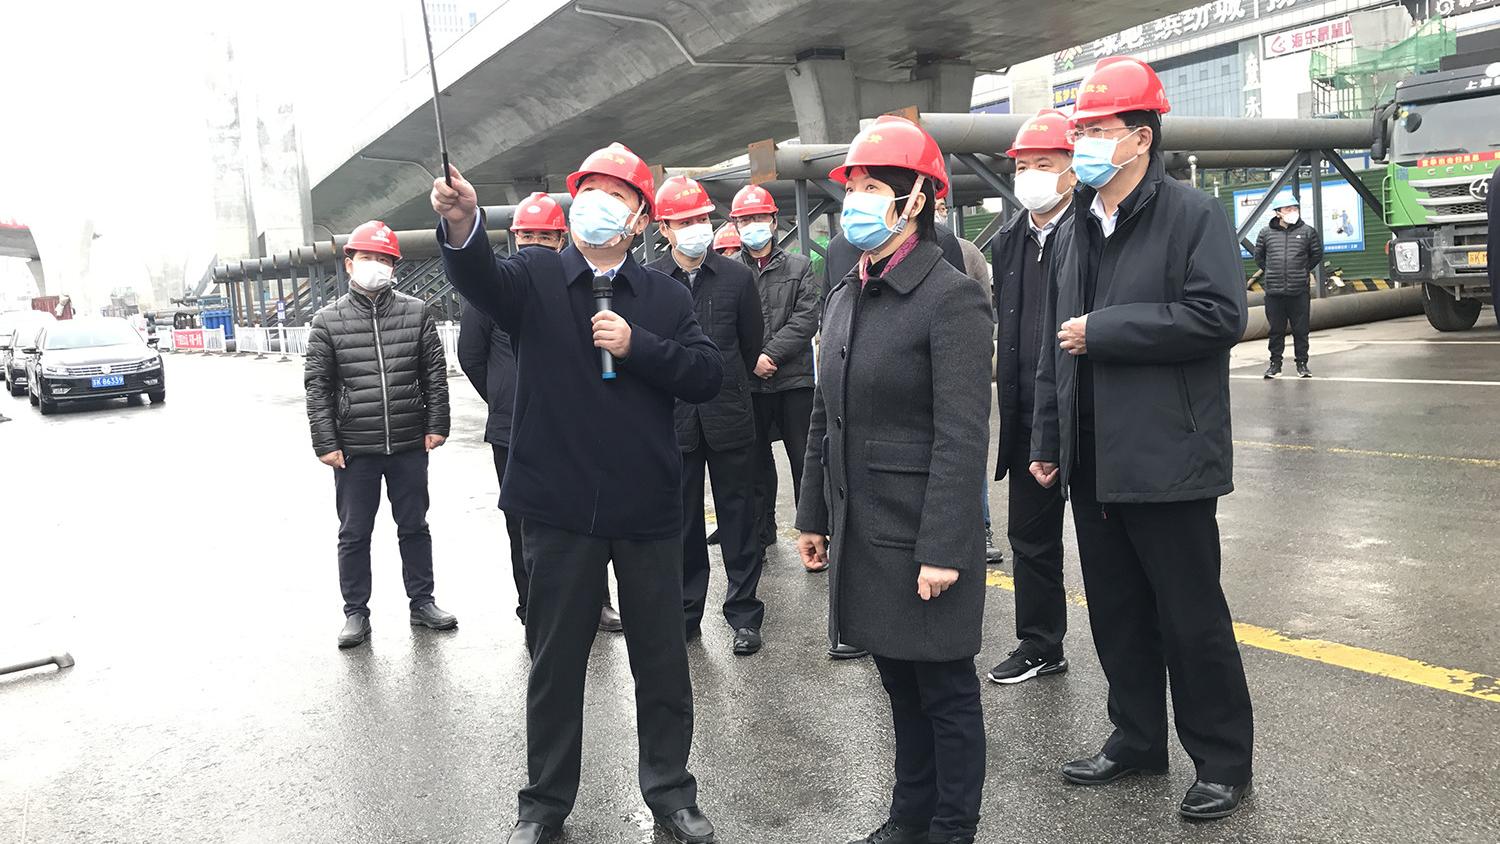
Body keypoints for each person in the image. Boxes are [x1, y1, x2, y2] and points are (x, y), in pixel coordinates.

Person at [433, 143, 722, 844]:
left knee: (661, 661)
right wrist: (463, 224)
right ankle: (543, 804)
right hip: (559, 507)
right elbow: (478, 276)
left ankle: (670, 792)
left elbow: (706, 375)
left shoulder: (664, 296)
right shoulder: (535, 275)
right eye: (590, 189)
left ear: (641, 219)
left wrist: (637, 346)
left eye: (617, 194)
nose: (599, 203)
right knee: (556, 663)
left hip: (646, 506)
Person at [1029, 56, 1255, 820]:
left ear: (1140, 137)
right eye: (1081, 129)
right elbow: (1052, 345)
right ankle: (1136, 738)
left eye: (1098, 129)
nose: (1084, 143)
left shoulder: (1192, 215)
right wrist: (1048, 436)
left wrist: (1107, 331)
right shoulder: (1074, 230)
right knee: (1117, 612)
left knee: (1191, 618)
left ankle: (1222, 760)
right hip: (1092, 460)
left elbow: (1219, 316)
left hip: (1169, 457)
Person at [796, 115, 994, 844]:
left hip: (921, 529)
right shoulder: (846, 294)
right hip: (865, 526)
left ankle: (952, 826)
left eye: (874, 186)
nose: (857, 200)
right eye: (853, 186)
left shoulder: (951, 297)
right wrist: (813, 514)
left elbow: (962, 434)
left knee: (944, 689)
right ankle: (910, 816)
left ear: (917, 200)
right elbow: (824, 413)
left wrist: (944, 546)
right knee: (899, 686)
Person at [457, 192, 622, 634]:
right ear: (514, 239)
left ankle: (597, 601)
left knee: (588, 514)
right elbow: (471, 357)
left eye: (544, 236)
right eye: (527, 235)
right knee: (522, 522)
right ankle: (531, 605)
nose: (534, 244)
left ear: (561, 239)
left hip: (572, 424)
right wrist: (506, 399)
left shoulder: (580, 287)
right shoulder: (497, 290)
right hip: (512, 427)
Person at [303, 221, 456, 650]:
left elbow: (434, 375)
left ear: (394, 266)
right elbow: (318, 387)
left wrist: (437, 424)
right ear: (349, 263)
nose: (376, 265)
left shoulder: (416, 312)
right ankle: (356, 612)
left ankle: (422, 602)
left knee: (415, 526)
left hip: (408, 441)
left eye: (384, 259)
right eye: (367, 257)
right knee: (354, 533)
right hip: (355, 448)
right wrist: (326, 442)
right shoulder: (327, 321)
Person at [646, 176, 766, 656]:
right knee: (683, 522)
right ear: (664, 229)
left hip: (729, 413)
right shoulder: (652, 281)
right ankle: (686, 613)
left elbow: (751, 344)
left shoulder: (737, 278)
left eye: (701, 218)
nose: (696, 227)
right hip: (675, 420)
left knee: (739, 518)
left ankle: (744, 614)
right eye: (684, 221)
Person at [985, 109, 1076, 685]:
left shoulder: (1091, 230)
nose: (1031, 176)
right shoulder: (1009, 239)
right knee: (1030, 540)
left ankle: (1138, 663)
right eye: (1022, 167)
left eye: (1045, 163)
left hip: (1083, 414)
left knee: (1111, 547)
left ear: (1073, 168)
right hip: (1025, 416)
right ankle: (1041, 643)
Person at [726, 184, 823, 561]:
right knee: (754, 464)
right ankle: (761, 535)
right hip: (749, 384)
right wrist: (753, 359)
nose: (753, 224)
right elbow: (725, 324)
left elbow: (807, 318)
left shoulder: (799, 265)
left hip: (793, 380)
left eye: (759, 217)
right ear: (736, 224)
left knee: (804, 460)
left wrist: (770, 354)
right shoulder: (729, 272)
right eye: (745, 219)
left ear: (773, 220)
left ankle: (814, 536)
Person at [934, 194, 1004, 566]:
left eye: (942, 207)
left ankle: (982, 528)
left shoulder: (968, 252)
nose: (937, 213)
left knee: (966, 448)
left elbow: (982, 314)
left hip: (961, 366)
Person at [1254, 192, 1322, 378]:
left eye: (1294, 208)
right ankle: (1275, 365)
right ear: (1278, 212)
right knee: (1275, 330)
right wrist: (1272, 271)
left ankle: (1302, 365)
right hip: (1274, 291)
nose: (1293, 211)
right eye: (1288, 209)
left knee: (1301, 330)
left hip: (1298, 290)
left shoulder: (1307, 232)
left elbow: (1316, 255)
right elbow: (1259, 257)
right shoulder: (1265, 233)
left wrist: (1301, 270)